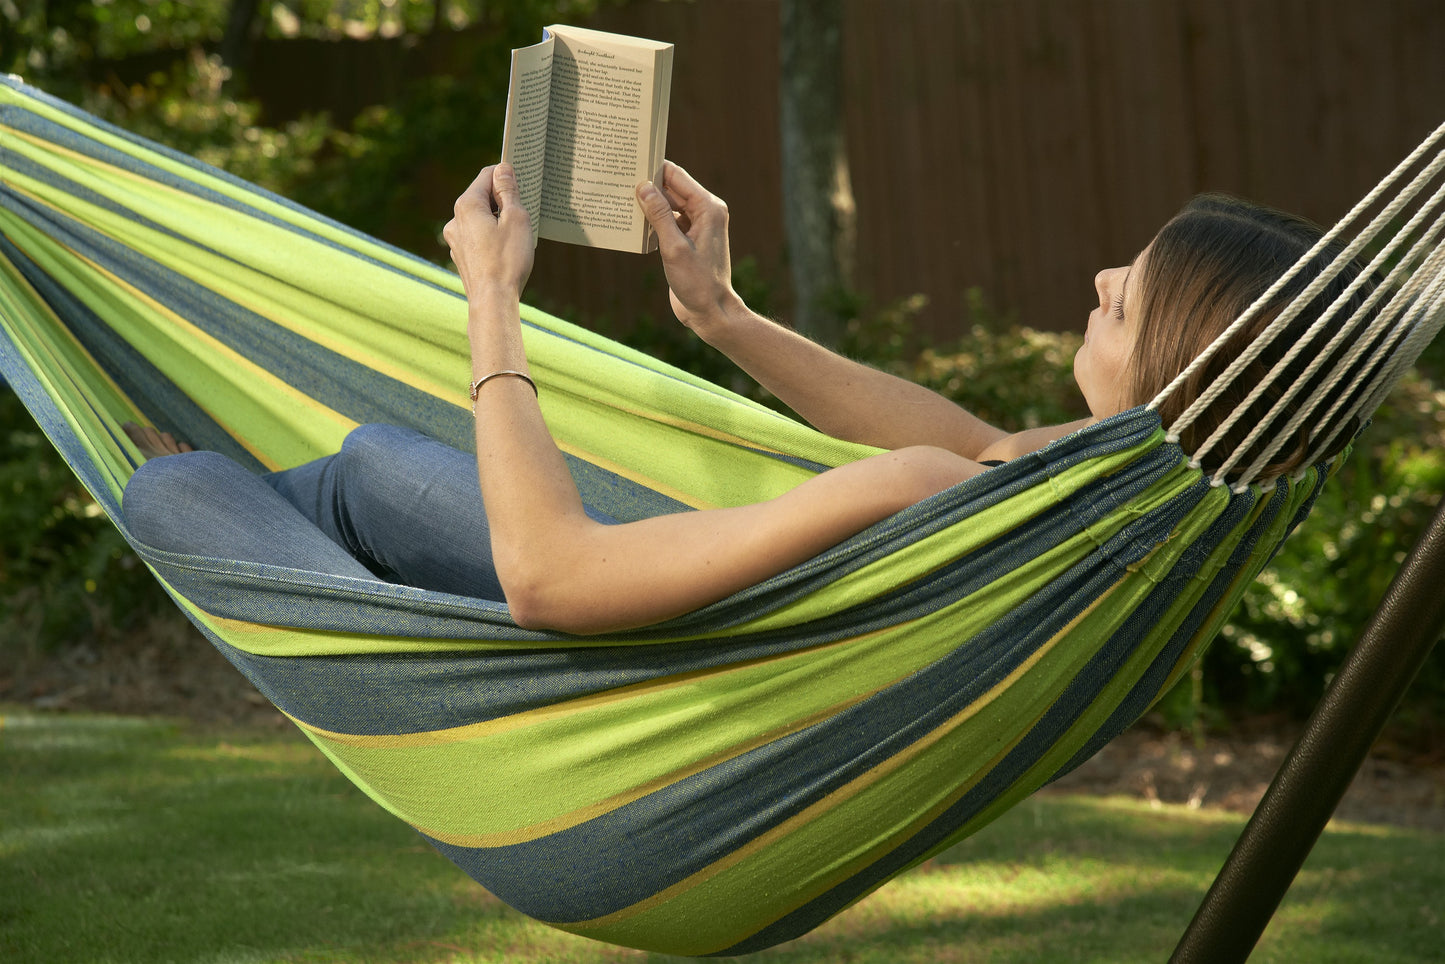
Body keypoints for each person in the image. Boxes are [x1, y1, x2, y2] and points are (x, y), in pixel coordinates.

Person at [123, 161, 1371, 635]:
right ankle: (253, 485)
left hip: (626, 713)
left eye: (1130, 294)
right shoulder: (1088, 501)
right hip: (682, 662)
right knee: (370, 465)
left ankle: (210, 475)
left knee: (177, 490)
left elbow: (552, 580)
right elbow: (982, 443)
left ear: (1192, 360)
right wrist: (715, 314)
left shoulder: (941, 497)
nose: (1101, 276)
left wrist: (491, 298)